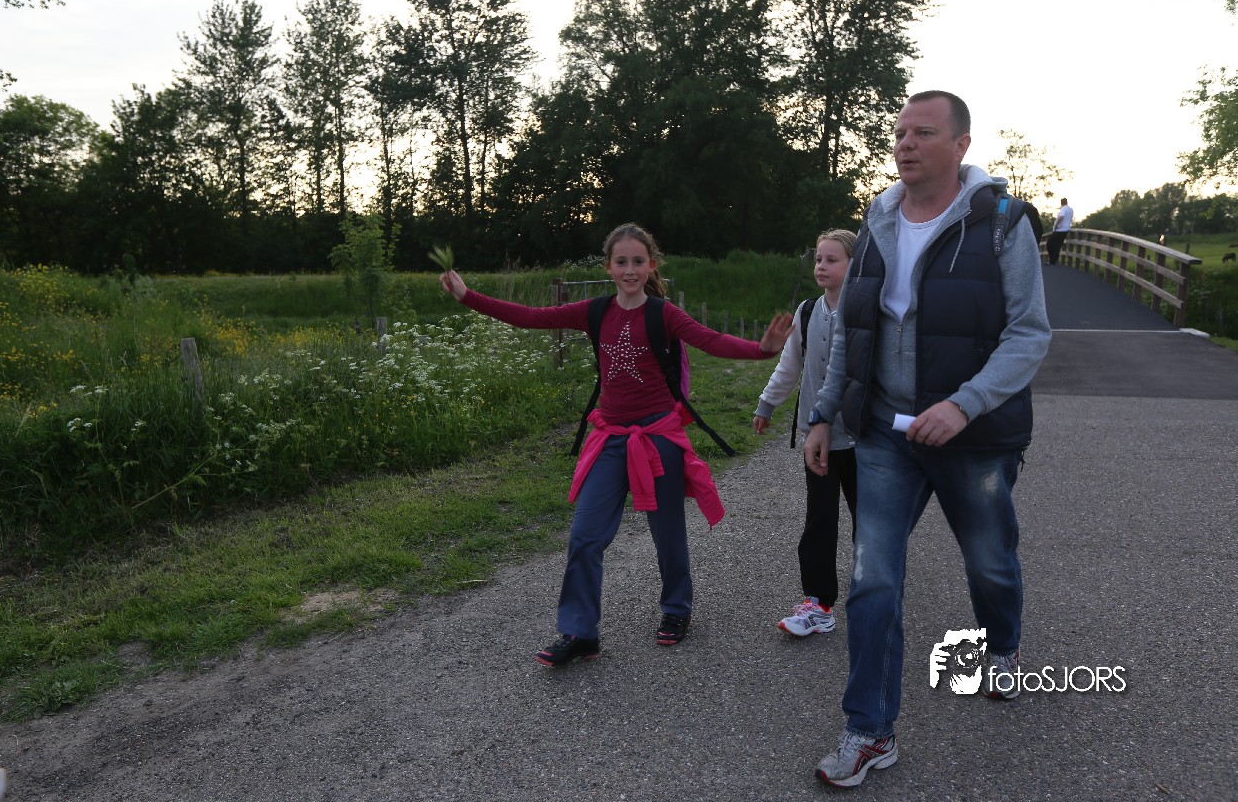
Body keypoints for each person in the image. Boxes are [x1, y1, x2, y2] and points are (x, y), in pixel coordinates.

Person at [802, 90, 1051, 788]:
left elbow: (1029, 334)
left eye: (923, 132)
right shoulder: (877, 218)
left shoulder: (1001, 222)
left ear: (961, 144)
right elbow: (854, 329)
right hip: (886, 435)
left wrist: (965, 405)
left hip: (974, 438)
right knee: (873, 579)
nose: (905, 143)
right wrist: (824, 412)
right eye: (900, 132)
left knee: (990, 562)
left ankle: (1002, 647)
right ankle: (869, 730)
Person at [439, 223, 793, 667]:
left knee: (667, 532)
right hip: (610, 439)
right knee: (585, 536)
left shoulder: (663, 314)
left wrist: (762, 350)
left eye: (638, 262)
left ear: (651, 266)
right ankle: (579, 632)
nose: (630, 270)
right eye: (621, 262)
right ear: (608, 267)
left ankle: (676, 609)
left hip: (657, 438)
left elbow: (711, 340)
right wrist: (467, 297)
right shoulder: (594, 311)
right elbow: (531, 316)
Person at [751, 229, 858, 637]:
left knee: (869, 523)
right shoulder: (807, 311)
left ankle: (873, 595)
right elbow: (789, 364)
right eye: (818, 259)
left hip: (863, 438)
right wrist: (767, 403)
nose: (821, 266)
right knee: (819, 520)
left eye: (832, 259)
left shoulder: (866, 311)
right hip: (818, 440)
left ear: (854, 265)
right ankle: (818, 603)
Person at [1046, 197, 1073, 265]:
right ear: (1067, 202)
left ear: (1061, 203)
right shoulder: (1070, 209)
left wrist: (1056, 225)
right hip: (1066, 229)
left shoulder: (1064, 209)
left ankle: (1052, 260)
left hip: (1060, 230)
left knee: (1049, 244)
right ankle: (1053, 261)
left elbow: (1061, 216)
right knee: (1057, 245)